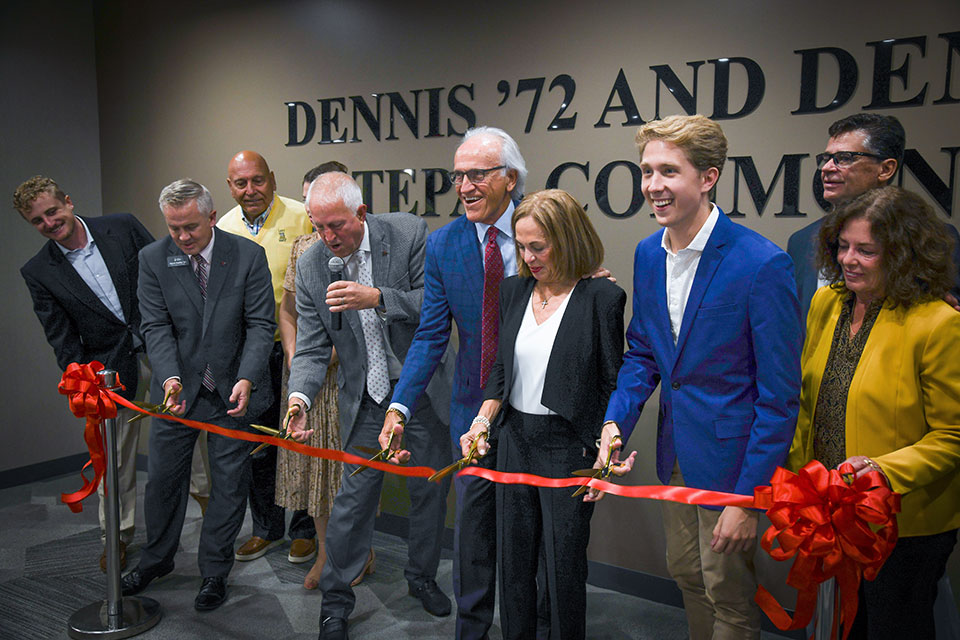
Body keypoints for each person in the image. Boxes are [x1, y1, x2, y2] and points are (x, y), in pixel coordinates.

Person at [600, 115, 802, 639]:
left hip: (731, 466)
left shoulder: (762, 263)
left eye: (668, 171)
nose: (652, 186)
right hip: (674, 455)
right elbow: (643, 351)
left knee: (729, 593)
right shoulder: (649, 253)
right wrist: (615, 421)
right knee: (687, 573)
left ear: (707, 178)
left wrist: (746, 498)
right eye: (646, 171)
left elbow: (779, 397)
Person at [786, 186, 960, 640]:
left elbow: (953, 435)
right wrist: (796, 476)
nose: (848, 259)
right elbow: (809, 401)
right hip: (829, 508)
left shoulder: (939, 323)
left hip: (902, 523)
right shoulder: (828, 302)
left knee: (890, 627)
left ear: (904, 255)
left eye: (866, 250)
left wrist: (882, 470)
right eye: (842, 246)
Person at [286, 172, 453, 640]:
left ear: (361, 213)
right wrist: (299, 397)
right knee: (350, 505)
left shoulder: (407, 233)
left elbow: (434, 305)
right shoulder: (313, 263)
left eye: (336, 225)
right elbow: (314, 347)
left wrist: (378, 298)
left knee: (430, 492)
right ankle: (335, 604)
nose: (327, 237)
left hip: (419, 391)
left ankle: (421, 578)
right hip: (364, 400)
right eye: (318, 226)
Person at [458, 189, 626, 639]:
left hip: (567, 445)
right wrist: (481, 422)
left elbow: (614, 383)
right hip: (513, 440)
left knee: (563, 569)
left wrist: (605, 451)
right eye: (522, 246)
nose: (529, 257)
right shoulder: (513, 291)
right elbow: (500, 372)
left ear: (568, 239)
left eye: (540, 246)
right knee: (513, 566)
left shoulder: (601, 298)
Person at [380, 126, 527, 640]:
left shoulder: (545, 227)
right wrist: (399, 406)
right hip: (470, 414)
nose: (463, 185)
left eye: (477, 174)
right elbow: (429, 336)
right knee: (472, 538)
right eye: (457, 175)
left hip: (535, 414)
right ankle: (472, 631)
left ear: (510, 179)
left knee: (528, 539)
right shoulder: (444, 245)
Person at [121, 179, 275, 611]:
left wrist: (247, 377)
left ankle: (213, 572)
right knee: (164, 483)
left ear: (211, 217)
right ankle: (157, 559)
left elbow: (261, 325)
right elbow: (155, 326)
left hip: (232, 392)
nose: (183, 237)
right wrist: (168, 379)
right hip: (178, 393)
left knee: (228, 486)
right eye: (174, 229)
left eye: (190, 227)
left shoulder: (247, 255)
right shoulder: (152, 259)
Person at [16, 175, 153, 572]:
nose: (49, 223)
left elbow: (165, 278)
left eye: (52, 211)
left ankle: (212, 521)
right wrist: (83, 380)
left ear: (69, 202)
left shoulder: (123, 226)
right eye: (38, 220)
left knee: (196, 448)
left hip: (163, 352)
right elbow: (61, 337)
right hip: (108, 373)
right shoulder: (38, 271)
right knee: (115, 463)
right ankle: (117, 538)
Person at [218, 150, 317, 565]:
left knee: (303, 441)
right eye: (241, 183)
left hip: (298, 348)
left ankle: (305, 529)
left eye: (257, 180)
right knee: (259, 444)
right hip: (251, 354)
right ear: (230, 187)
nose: (250, 190)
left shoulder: (301, 216)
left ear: (272, 179)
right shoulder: (222, 226)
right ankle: (266, 528)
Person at [274, 160, 360, 591]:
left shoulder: (364, 242)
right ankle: (327, 551)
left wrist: (335, 354)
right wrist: (296, 358)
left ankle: (358, 551)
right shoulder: (304, 249)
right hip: (313, 384)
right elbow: (288, 311)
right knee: (318, 476)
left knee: (348, 475)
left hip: (353, 378)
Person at [787, 113, 960, 319]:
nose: (826, 168)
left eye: (844, 158)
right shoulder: (801, 241)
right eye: (826, 158)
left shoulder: (931, 239)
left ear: (885, 169)